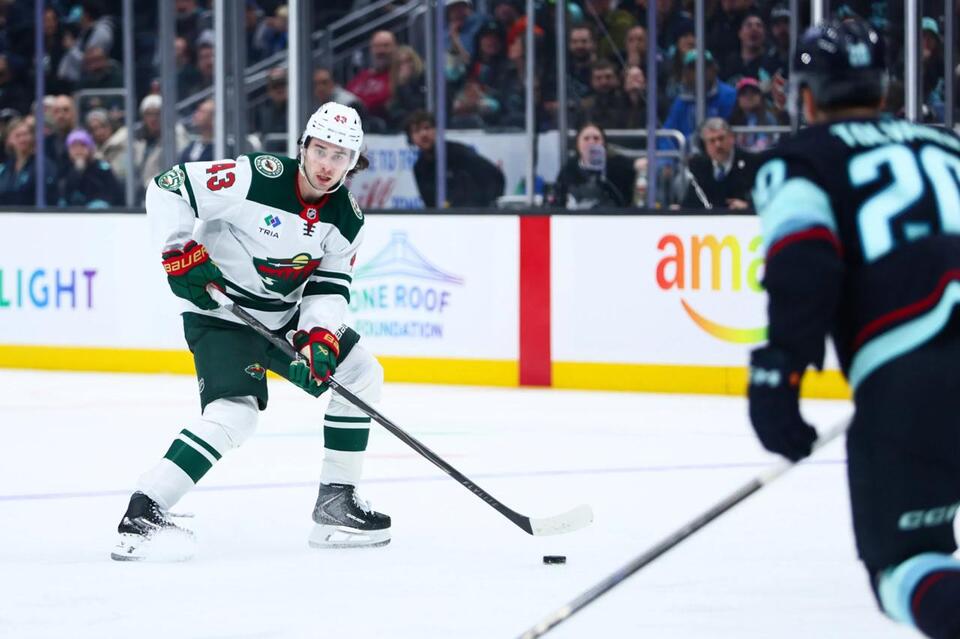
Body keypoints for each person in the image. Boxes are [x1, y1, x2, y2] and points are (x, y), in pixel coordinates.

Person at [747, 19, 960, 639]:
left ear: (805, 96)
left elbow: (804, 261)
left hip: (912, 371)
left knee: (908, 564)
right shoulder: (948, 147)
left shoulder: (799, 161)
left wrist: (779, 374)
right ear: (884, 85)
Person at [112, 102, 390, 560]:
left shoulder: (348, 219)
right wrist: (177, 249)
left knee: (361, 371)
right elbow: (168, 186)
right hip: (219, 312)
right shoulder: (256, 177)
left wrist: (318, 339)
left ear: (353, 162)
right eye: (320, 150)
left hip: (282, 316)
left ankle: (336, 502)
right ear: (303, 147)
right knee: (235, 413)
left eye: (340, 155)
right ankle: (145, 510)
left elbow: (327, 287)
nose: (326, 164)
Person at [406, 109, 505, 208]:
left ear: (436, 130)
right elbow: (430, 204)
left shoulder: (459, 153)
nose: (423, 134)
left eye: (427, 128)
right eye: (417, 130)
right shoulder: (419, 167)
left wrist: (484, 209)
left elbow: (495, 176)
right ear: (411, 138)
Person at [681, 116, 756, 210]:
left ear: (731, 138)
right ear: (705, 145)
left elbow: (764, 202)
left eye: (721, 138)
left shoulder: (749, 162)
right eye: (712, 141)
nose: (718, 145)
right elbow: (690, 202)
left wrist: (747, 206)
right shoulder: (698, 165)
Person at [553, 121, 634, 209]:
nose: (591, 142)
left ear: (604, 143)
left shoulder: (618, 167)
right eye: (586, 138)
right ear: (577, 144)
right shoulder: (568, 170)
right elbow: (559, 202)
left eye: (596, 138)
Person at [57, 128, 122, 207]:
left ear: (90, 148)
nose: (78, 150)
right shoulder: (64, 168)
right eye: (74, 146)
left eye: (82, 145)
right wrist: (77, 171)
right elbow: (63, 192)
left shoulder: (102, 168)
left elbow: (113, 192)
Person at [0, 116, 57, 205]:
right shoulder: (4, 169)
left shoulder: (43, 165)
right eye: (18, 135)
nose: (22, 139)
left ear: (32, 137)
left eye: (25, 134)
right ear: (9, 140)